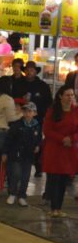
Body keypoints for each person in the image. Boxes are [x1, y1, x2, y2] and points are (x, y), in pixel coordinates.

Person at [41, 86, 78, 218]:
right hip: (55, 149)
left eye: (72, 95)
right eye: (67, 95)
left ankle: (59, 208)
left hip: (69, 151)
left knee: (63, 180)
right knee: (54, 179)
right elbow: (47, 130)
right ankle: (53, 207)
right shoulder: (52, 111)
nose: (70, 98)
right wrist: (62, 139)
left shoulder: (76, 111)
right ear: (60, 96)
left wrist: (72, 139)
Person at [2, 102, 41, 207]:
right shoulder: (17, 125)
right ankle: (12, 193)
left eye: (30, 111)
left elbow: (38, 138)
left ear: (35, 113)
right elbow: (8, 139)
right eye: (25, 111)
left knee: (25, 176)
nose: (27, 113)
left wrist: (37, 145)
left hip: (28, 156)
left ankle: (22, 196)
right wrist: (5, 153)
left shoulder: (36, 126)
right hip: (16, 154)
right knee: (15, 174)